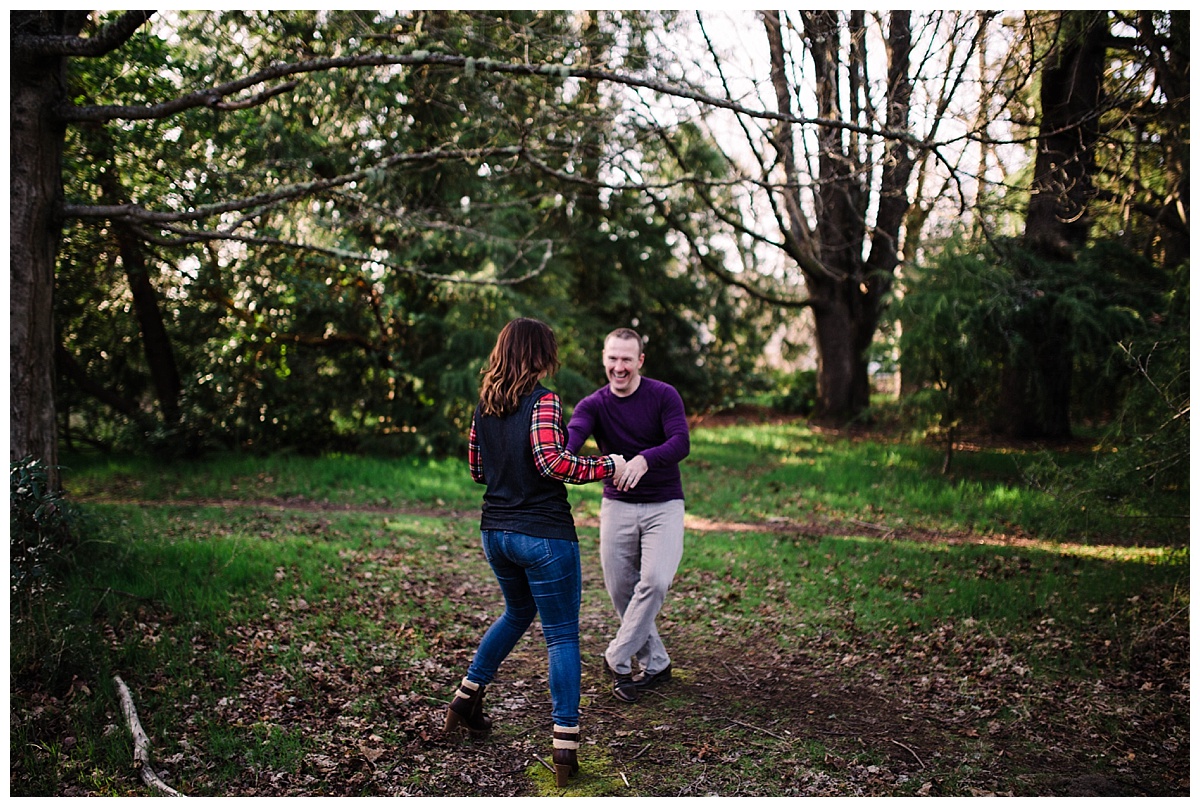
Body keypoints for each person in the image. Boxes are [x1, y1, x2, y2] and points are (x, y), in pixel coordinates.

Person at [443, 317, 626, 789]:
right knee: (562, 636)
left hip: (496, 533)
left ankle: (466, 697)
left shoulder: (484, 405)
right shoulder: (544, 400)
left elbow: (477, 469)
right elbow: (553, 462)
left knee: (517, 612)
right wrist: (609, 464)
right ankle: (565, 743)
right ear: (539, 354)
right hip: (543, 535)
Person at [566, 327, 689, 704]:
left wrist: (644, 459)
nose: (619, 367)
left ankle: (618, 656)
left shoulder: (662, 395)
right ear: (604, 358)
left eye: (626, 359)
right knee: (621, 589)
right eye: (612, 358)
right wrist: (557, 455)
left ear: (640, 361)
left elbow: (680, 442)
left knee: (654, 580)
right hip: (616, 505)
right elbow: (571, 440)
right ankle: (657, 663)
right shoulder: (593, 405)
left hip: (664, 503)